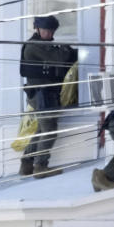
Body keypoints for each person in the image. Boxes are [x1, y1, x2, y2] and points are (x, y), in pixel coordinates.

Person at [19, 15, 78, 178]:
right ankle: (40, 167)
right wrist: (66, 49)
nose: (49, 33)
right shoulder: (34, 46)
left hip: (47, 93)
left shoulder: (45, 45)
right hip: (41, 94)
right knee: (50, 130)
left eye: (51, 31)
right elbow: (60, 58)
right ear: (37, 29)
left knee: (41, 129)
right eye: (45, 30)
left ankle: (26, 164)